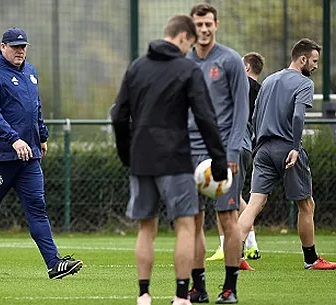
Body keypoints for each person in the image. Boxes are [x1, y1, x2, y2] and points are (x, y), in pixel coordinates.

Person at [111, 15, 228, 305]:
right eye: (190, 43)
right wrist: (219, 161)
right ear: (184, 38)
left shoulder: (137, 67)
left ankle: (143, 295)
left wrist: (127, 154)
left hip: (141, 157)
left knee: (146, 228)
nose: (190, 49)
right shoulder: (187, 68)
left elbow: (118, 114)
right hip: (175, 158)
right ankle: (180, 296)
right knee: (186, 225)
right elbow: (205, 117)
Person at [0, 27, 83, 281]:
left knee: (38, 210)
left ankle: (54, 264)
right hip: (2, 158)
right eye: (15, 46)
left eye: (23, 46)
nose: (20, 51)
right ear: (2, 47)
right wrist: (14, 139)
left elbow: (35, 106)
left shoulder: (30, 72)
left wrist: (42, 135)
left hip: (29, 158)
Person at [238, 38, 336, 271]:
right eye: (314, 61)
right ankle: (311, 259)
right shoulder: (304, 83)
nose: (315, 66)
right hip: (287, 149)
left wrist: (258, 145)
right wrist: (295, 146)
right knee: (306, 205)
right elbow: (297, 117)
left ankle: (235, 256)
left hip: (262, 149)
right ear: (302, 58)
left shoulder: (269, 80)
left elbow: (254, 117)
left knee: (254, 204)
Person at [187, 3, 252, 304]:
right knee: (193, 221)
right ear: (192, 26)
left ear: (216, 24)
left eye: (208, 24)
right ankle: (198, 288)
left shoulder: (229, 60)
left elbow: (242, 109)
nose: (203, 29)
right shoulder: (185, 61)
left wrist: (232, 151)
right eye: (198, 24)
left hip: (222, 152)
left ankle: (230, 288)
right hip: (190, 153)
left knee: (228, 218)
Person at [207, 51, 265, 262]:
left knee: (220, 193)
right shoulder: (262, 91)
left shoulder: (237, 86)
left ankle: (226, 246)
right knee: (236, 195)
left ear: (247, 67)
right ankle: (251, 244)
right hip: (247, 144)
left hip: (231, 144)